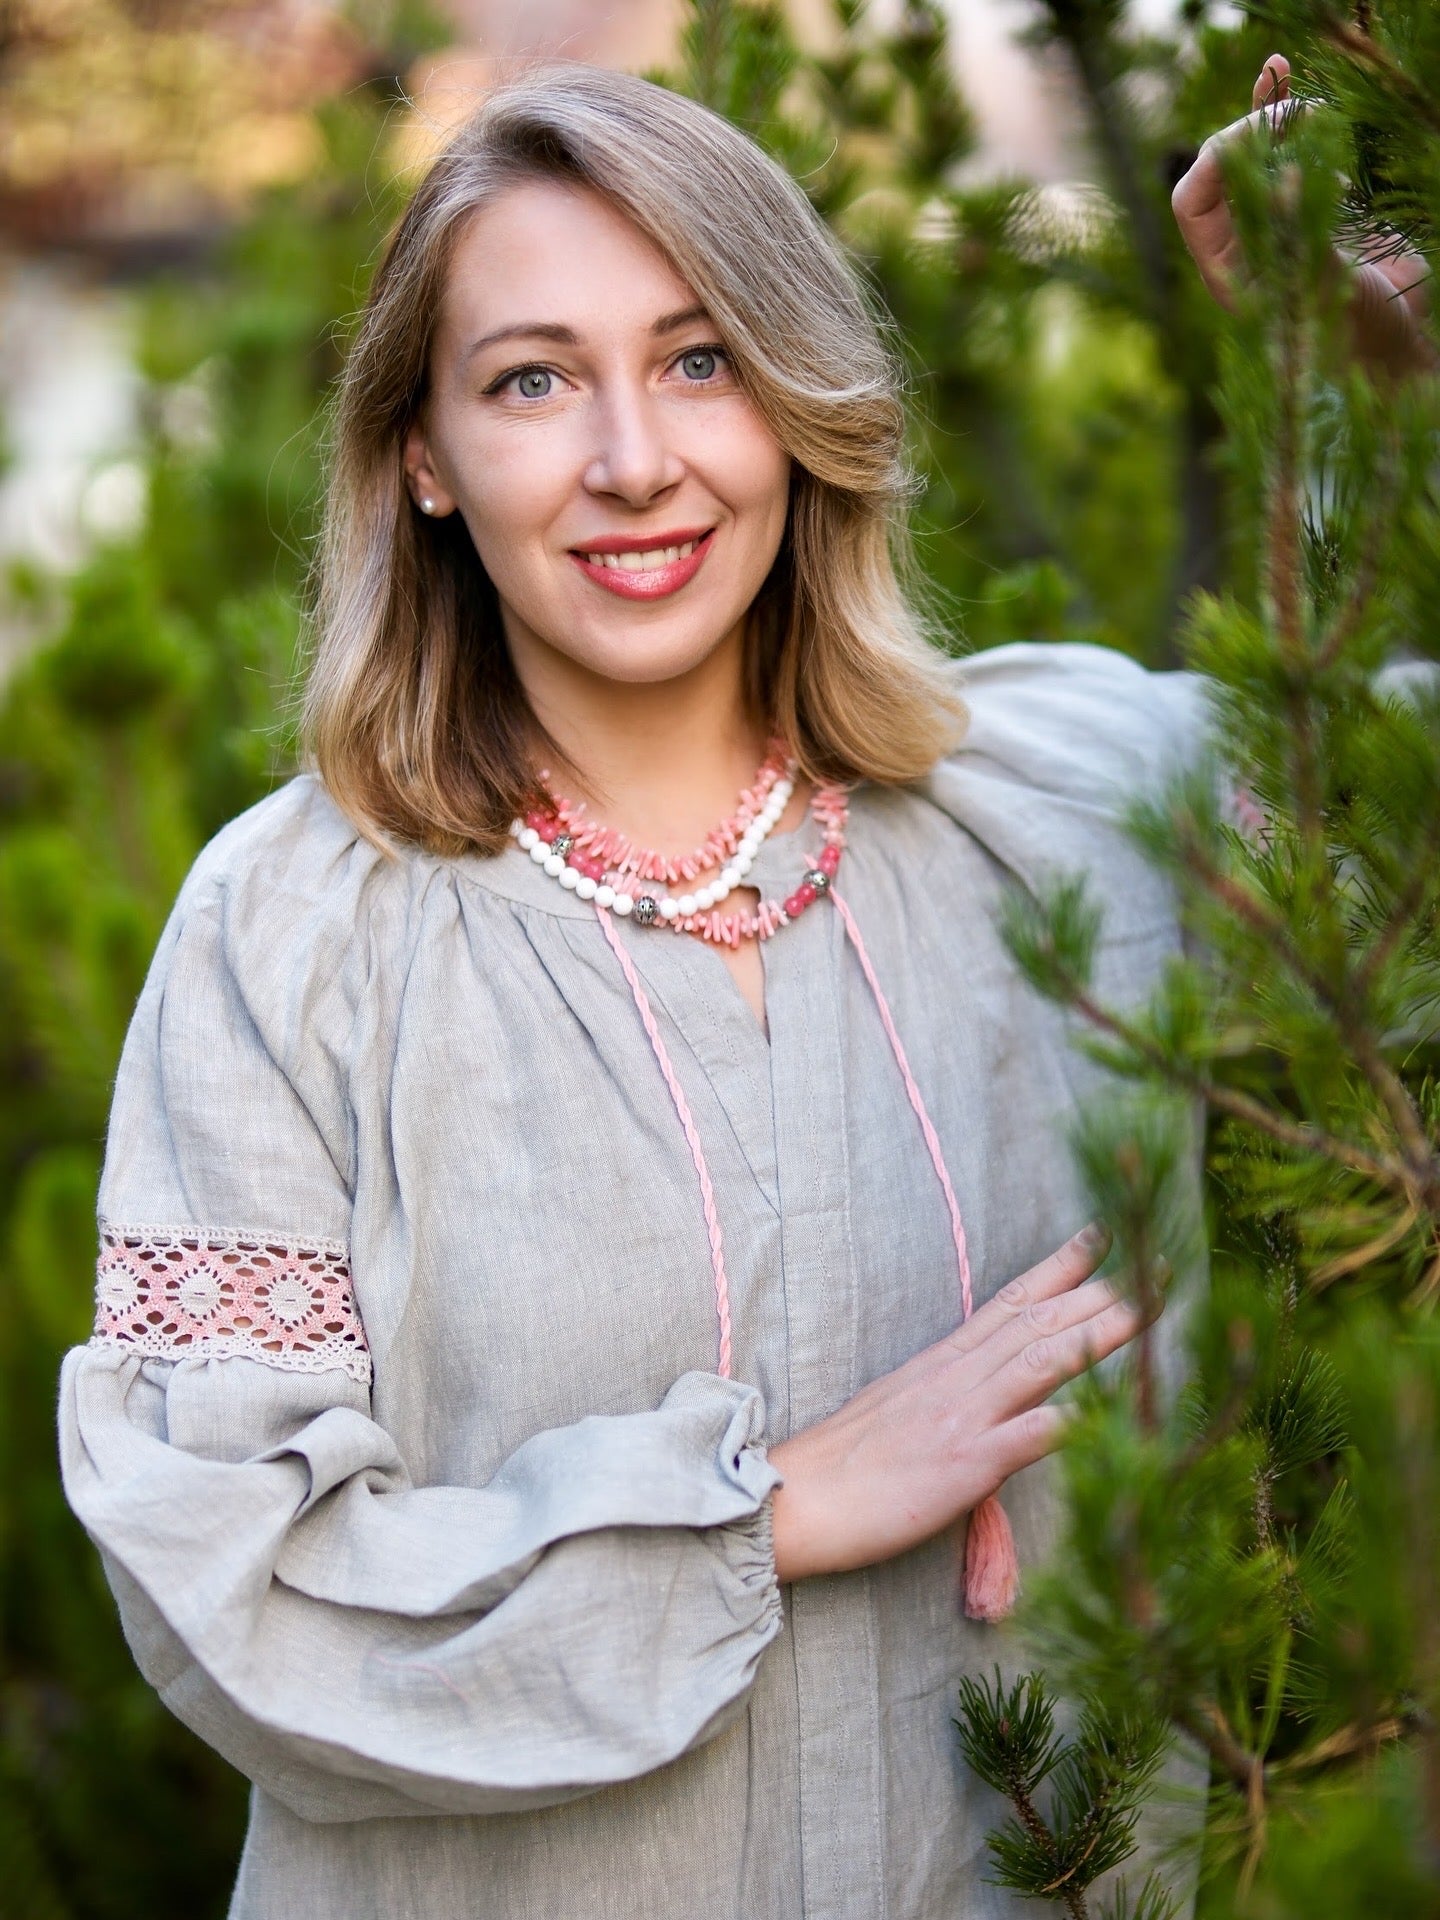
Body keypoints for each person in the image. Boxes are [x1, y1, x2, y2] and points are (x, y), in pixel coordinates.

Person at [55, 55, 1426, 1920]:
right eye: (534, 378)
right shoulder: (292, 937)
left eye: (702, 359)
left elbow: (1392, 835)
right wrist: (770, 1512)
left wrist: (1363, 388)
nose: (635, 457)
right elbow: (226, 1586)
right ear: (426, 459)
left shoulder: (1078, 808)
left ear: (799, 404)